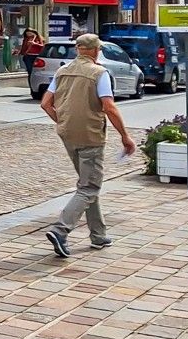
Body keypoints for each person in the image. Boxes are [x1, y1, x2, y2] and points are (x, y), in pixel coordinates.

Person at [40, 32, 137, 257]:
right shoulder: (99, 73)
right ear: (96, 51)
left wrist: (62, 121)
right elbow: (109, 107)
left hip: (68, 135)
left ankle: (98, 235)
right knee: (89, 187)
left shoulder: (62, 71)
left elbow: (46, 104)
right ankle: (60, 230)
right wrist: (125, 136)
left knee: (87, 184)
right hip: (91, 135)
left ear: (77, 50)